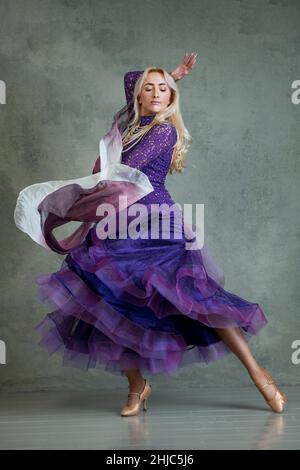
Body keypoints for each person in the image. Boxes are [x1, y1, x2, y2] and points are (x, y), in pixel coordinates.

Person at [14, 53, 286, 417]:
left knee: (200, 300)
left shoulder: (163, 130)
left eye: (164, 90)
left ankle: (259, 374)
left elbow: (123, 171)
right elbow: (131, 79)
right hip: (115, 225)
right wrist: (170, 75)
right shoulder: (130, 123)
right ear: (138, 95)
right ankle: (137, 386)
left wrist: (78, 196)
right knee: (107, 300)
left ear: (171, 99)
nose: (156, 93)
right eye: (149, 88)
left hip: (157, 224)